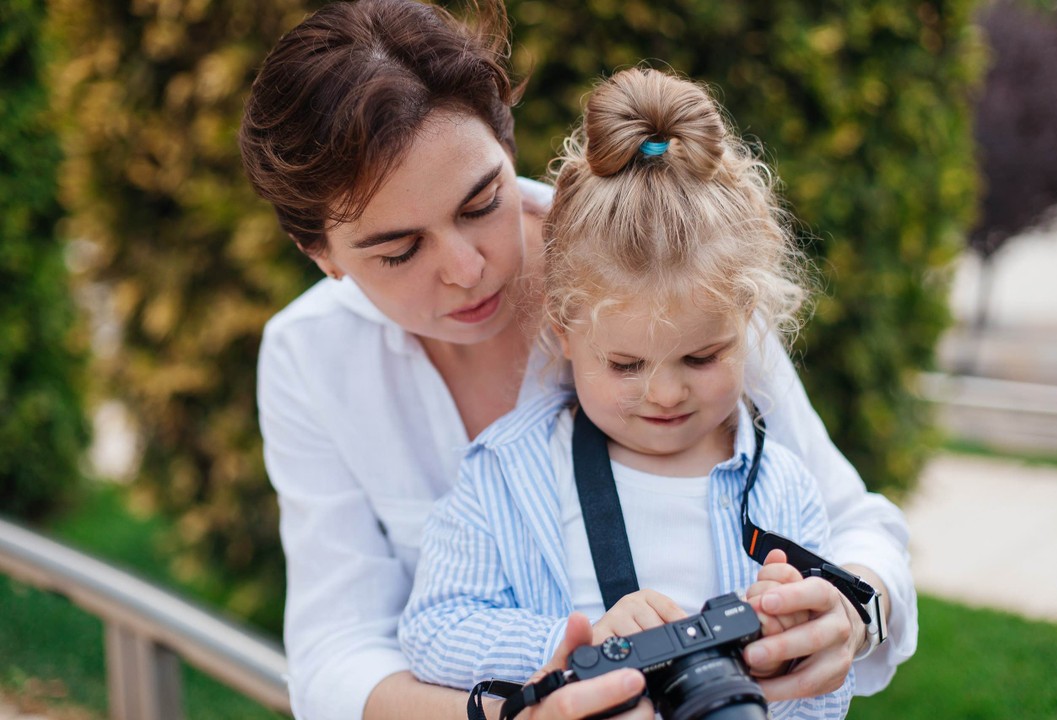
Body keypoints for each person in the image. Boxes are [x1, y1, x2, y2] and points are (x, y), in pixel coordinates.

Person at [237, 1, 916, 719]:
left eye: (481, 203)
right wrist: (520, 713)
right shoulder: (309, 357)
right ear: (321, 255)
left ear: (506, 145)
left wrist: (849, 613)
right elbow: (335, 651)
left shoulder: (667, 261)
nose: (466, 269)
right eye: (400, 251)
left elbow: (854, 524)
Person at [398, 66, 854, 719]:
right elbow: (433, 628)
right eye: (626, 364)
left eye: (701, 356)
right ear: (564, 332)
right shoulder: (507, 473)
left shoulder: (783, 487)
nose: (665, 393)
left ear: (748, 324)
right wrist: (581, 646)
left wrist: (792, 651)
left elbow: (826, 697)